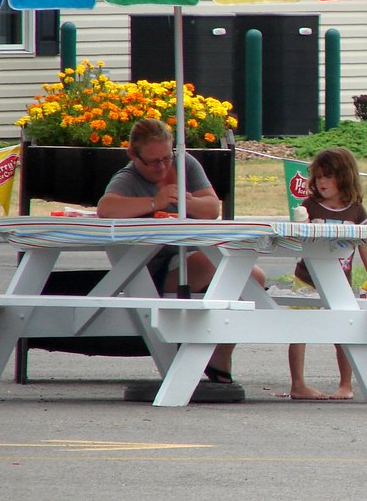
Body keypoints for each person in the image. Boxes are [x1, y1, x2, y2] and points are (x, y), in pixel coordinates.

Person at [96, 118, 265, 384]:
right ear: (133, 155)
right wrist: (154, 202)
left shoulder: (185, 164)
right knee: (229, 268)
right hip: (152, 269)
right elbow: (106, 209)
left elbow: (212, 208)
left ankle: (218, 353)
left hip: (191, 258)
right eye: (153, 161)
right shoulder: (128, 178)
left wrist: (186, 201)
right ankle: (198, 353)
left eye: (167, 157)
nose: (162, 167)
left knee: (254, 277)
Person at [288, 147, 367, 400]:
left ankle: (346, 384)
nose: (322, 182)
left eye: (328, 176)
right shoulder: (310, 207)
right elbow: (298, 236)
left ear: (345, 177)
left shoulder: (356, 211)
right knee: (298, 328)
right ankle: (298, 384)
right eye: (318, 177)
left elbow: (365, 244)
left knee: (343, 329)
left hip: (340, 280)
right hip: (306, 277)